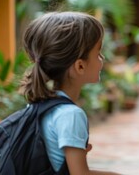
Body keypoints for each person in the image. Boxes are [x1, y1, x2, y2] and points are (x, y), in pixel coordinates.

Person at [20, 11, 121, 175]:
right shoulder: (71, 115)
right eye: (98, 53)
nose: (102, 59)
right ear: (80, 66)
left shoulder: (39, 106)